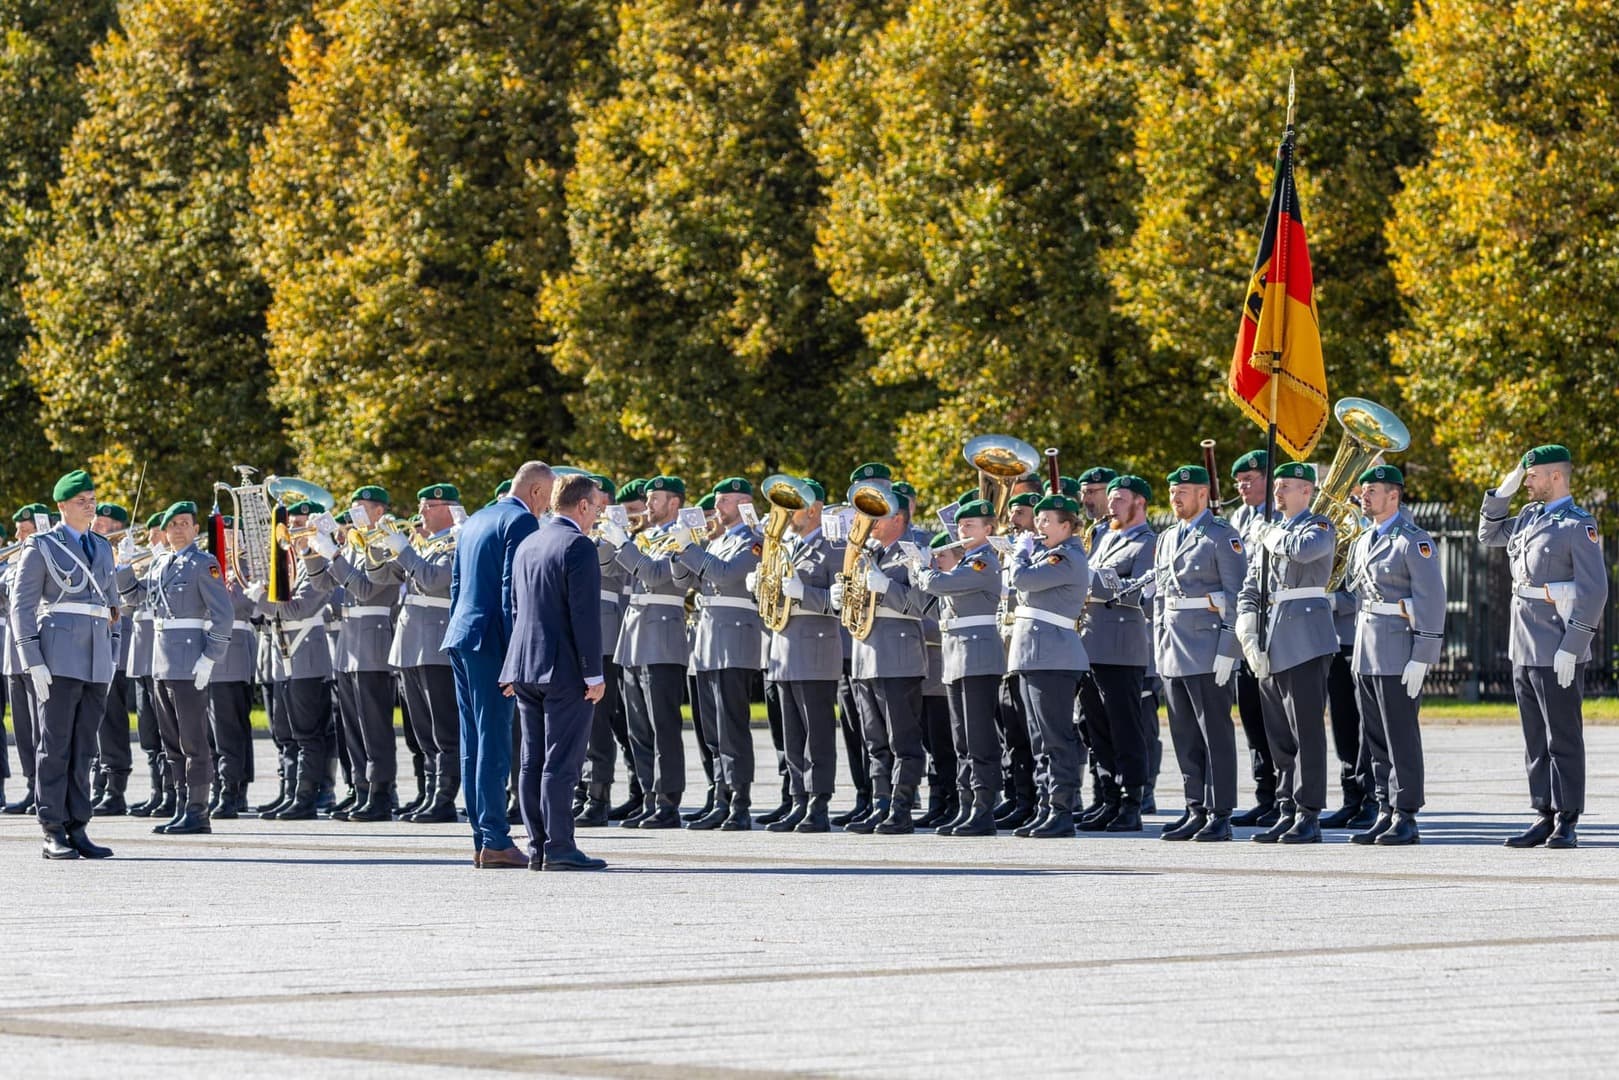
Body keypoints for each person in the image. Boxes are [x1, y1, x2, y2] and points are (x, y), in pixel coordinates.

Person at [1479, 444, 1609, 849]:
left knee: (1562, 736)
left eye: (1533, 475)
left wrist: (1573, 645)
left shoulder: (1577, 525)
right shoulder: (1529, 518)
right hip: (1524, 643)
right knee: (1535, 737)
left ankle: (1568, 818)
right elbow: (1488, 533)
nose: (1527, 482)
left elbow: (1594, 591)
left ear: (1556, 476)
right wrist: (1509, 482)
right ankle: (1544, 812)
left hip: (1557, 646)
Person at [443, 461, 551, 868]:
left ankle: (481, 837)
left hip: (462, 634)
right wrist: (515, 658)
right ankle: (495, 840)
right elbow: (512, 593)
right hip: (492, 641)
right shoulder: (521, 522)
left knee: (473, 742)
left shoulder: (476, 519)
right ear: (537, 492)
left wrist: (458, 629)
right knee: (494, 742)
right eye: (547, 498)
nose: (545, 509)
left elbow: (457, 586)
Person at [9, 470, 120, 859]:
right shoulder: (41, 546)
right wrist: (31, 658)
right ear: (61, 506)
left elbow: (111, 605)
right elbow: (23, 606)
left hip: (96, 661)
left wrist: (114, 653)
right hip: (57, 659)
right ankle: (52, 828)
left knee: (85, 748)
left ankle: (78, 824)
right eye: (81, 501)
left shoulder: (103, 547)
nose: (89, 505)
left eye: (91, 499)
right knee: (54, 746)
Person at [501, 472, 608, 871]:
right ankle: (561, 846)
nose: (597, 514)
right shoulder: (578, 545)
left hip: (526, 666)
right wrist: (593, 674)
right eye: (596, 507)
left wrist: (511, 666)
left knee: (531, 761)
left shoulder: (529, 543)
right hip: (564, 669)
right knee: (561, 762)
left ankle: (538, 846)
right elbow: (584, 617)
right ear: (581, 506)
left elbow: (515, 609)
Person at [116, 500, 234, 837]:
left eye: (185, 523)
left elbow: (223, 614)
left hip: (189, 661)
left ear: (196, 530)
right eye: (173, 525)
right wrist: (123, 565)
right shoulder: (158, 564)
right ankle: (182, 806)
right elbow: (134, 599)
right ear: (165, 533)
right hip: (162, 662)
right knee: (172, 743)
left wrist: (211, 656)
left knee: (194, 741)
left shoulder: (203, 563)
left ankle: (198, 811)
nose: (178, 529)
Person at [1342, 465, 1446, 846]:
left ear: (1394, 497)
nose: (1364, 496)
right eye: (1364, 490)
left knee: (1400, 735)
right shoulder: (1363, 540)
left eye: (1373, 491)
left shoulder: (1412, 541)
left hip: (1399, 650)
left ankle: (1406, 814)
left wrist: (1423, 655)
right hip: (1366, 651)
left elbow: (1432, 600)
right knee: (1374, 737)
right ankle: (1384, 807)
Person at [1236, 462, 1337, 845]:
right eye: (1276, 485)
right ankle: (1285, 808)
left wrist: (1269, 536)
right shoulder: (1270, 533)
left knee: (1305, 731)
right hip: (1271, 639)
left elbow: (1305, 551)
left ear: (1307, 492)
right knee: (1278, 735)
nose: (1278, 492)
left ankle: (1309, 812)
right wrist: (1247, 627)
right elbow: (1251, 585)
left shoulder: (1320, 525)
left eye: (1287, 486)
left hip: (1305, 640)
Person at [1151, 466, 1247, 842]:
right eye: (1173, 491)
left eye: (1184, 491)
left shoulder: (1222, 536)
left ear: (1203, 495)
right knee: (1185, 734)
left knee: (1215, 733)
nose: (1176, 498)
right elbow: (1161, 597)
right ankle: (1195, 807)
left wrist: (1229, 647)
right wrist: (1159, 644)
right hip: (1174, 647)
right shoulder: (1168, 537)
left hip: (1209, 648)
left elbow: (1236, 595)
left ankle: (1220, 811)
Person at [836, 464, 931, 835]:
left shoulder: (913, 551)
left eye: (880, 514)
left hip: (899, 656)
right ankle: (880, 804)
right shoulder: (868, 552)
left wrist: (884, 587)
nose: (871, 521)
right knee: (875, 741)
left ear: (900, 518)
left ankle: (902, 808)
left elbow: (921, 603)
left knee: (902, 740)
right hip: (864, 657)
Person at [596, 475, 694, 830]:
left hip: (662, 639)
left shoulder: (681, 539)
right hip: (633, 640)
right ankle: (650, 798)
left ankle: (668, 802)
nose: (649, 505)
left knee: (662, 726)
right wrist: (610, 536)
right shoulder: (644, 538)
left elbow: (653, 576)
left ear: (675, 503)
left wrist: (624, 543)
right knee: (639, 729)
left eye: (656, 499)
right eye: (649, 499)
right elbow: (606, 568)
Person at [370, 483, 461, 823]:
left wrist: (404, 549)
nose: (421, 511)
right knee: (421, 730)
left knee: (443, 728)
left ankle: (445, 798)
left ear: (449, 509)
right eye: (422, 505)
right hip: (410, 644)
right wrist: (378, 547)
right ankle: (429, 792)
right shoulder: (424, 544)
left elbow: (434, 579)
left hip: (436, 644)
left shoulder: (457, 541)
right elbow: (379, 578)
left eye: (430, 505)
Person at [677, 477, 764, 831]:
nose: (717, 507)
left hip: (733, 643)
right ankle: (720, 797)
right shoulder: (720, 540)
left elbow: (727, 576)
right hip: (708, 641)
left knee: (732, 728)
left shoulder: (755, 542)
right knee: (712, 730)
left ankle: (740, 802)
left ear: (744, 503)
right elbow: (685, 579)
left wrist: (692, 549)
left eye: (725, 500)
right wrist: (682, 548)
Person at [914, 501, 1004, 836]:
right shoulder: (963, 564)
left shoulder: (983, 562)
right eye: (961, 525)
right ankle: (967, 805)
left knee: (979, 736)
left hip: (978, 654)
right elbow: (939, 612)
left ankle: (983, 807)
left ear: (988, 530)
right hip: (955, 654)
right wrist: (920, 577)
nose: (963, 531)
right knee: (962, 738)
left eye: (970, 526)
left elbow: (942, 585)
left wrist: (924, 572)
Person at [1004, 493, 1090, 837]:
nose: (1038, 526)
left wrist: (1020, 555)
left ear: (1066, 526)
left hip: (1053, 656)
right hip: (1032, 654)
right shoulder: (1047, 555)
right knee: (1039, 739)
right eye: (1037, 519)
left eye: (1046, 521)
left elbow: (1022, 581)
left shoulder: (1065, 557)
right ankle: (1045, 807)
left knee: (1056, 738)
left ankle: (1062, 810)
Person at [1076, 475, 1157, 833]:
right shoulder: (1104, 537)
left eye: (1120, 498)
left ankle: (1131, 802)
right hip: (1091, 643)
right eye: (1111, 498)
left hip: (1123, 648)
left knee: (1126, 728)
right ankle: (1109, 797)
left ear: (1140, 503)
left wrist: (1084, 581)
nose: (1112, 504)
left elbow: (1138, 593)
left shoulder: (1149, 543)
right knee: (1096, 729)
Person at [1226, 450, 1280, 826]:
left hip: (1276, 627)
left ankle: (1286, 795)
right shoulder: (1237, 518)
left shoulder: (1279, 518)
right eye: (1239, 481)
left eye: (1250, 479)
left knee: (1278, 718)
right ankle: (1265, 794)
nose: (1243, 486)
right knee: (1251, 716)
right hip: (1246, 626)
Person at [90, 502, 135, 814]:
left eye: (106, 525)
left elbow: (127, 597)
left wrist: (125, 563)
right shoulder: (88, 551)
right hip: (92, 645)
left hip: (119, 646)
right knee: (94, 720)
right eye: (98, 522)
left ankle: (115, 788)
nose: (99, 527)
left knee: (112, 719)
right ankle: (98, 783)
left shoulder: (125, 556)